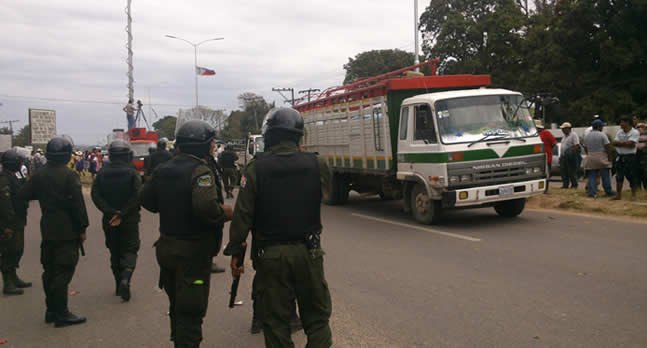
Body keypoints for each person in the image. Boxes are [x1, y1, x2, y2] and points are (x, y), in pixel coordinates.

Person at [224, 107, 332, 348]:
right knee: (317, 319)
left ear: (269, 136)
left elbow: (243, 216)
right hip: (310, 252)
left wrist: (236, 254)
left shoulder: (254, 169)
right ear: (298, 136)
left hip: (271, 256)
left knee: (276, 321)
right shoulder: (318, 164)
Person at [140, 120, 233, 347]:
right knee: (192, 310)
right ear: (203, 146)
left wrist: (171, 205)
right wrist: (225, 213)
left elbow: (146, 199)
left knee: (177, 303)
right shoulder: (200, 171)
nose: (213, 147)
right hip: (192, 254)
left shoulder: (163, 170)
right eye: (211, 143)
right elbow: (206, 209)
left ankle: (179, 339)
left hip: (167, 249)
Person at [17, 136, 89, 327]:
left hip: (48, 227)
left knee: (49, 270)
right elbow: (78, 206)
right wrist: (82, 227)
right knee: (63, 271)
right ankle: (61, 313)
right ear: (66, 155)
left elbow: (23, 194)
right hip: (67, 230)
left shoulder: (40, 175)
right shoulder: (69, 175)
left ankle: (51, 309)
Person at [91, 140, 142, 301]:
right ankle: (126, 278)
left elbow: (95, 195)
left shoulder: (102, 173)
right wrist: (123, 213)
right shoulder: (132, 172)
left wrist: (110, 212)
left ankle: (118, 283)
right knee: (130, 249)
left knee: (114, 250)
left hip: (109, 219)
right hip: (129, 219)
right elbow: (137, 195)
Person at [0, 150, 31, 296]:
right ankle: (8, 282)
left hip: (17, 220)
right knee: (9, 251)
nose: (20, 164)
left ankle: (13, 277)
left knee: (17, 249)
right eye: (18, 161)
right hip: (9, 223)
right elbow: (5, 204)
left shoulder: (13, 176)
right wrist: (8, 225)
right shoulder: (4, 179)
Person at [205, 150, 226, 274]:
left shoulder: (210, 160)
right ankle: (206, 262)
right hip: (211, 206)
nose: (214, 145)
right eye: (211, 142)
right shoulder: (203, 165)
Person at [582, 120, 615, 197]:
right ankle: (608, 191)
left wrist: (589, 154)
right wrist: (610, 158)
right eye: (602, 126)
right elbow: (608, 147)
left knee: (592, 176)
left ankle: (592, 193)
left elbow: (585, 147)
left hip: (591, 157)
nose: (602, 127)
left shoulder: (587, 136)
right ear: (599, 126)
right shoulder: (602, 135)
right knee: (605, 175)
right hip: (601, 156)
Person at [612, 115, 641, 200]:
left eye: (622, 122)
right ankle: (618, 195)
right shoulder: (619, 132)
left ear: (627, 123)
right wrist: (625, 143)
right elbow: (614, 142)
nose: (620, 124)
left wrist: (620, 143)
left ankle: (633, 195)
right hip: (620, 156)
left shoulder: (634, 132)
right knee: (619, 176)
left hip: (630, 157)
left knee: (631, 176)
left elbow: (632, 144)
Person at [535, 120, 557, 193]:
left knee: (546, 174)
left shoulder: (546, 133)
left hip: (546, 157)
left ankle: (545, 189)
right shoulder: (534, 134)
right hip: (537, 158)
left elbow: (554, 142)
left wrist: (548, 149)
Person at [559, 122, 580, 189]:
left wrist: (571, 152)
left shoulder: (573, 135)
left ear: (568, 129)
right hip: (563, 156)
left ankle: (574, 185)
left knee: (571, 171)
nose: (562, 130)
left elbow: (577, 145)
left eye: (564, 129)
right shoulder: (564, 137)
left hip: (570, 156)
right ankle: (565, 184)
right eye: (562, 129)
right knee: (563, 171)